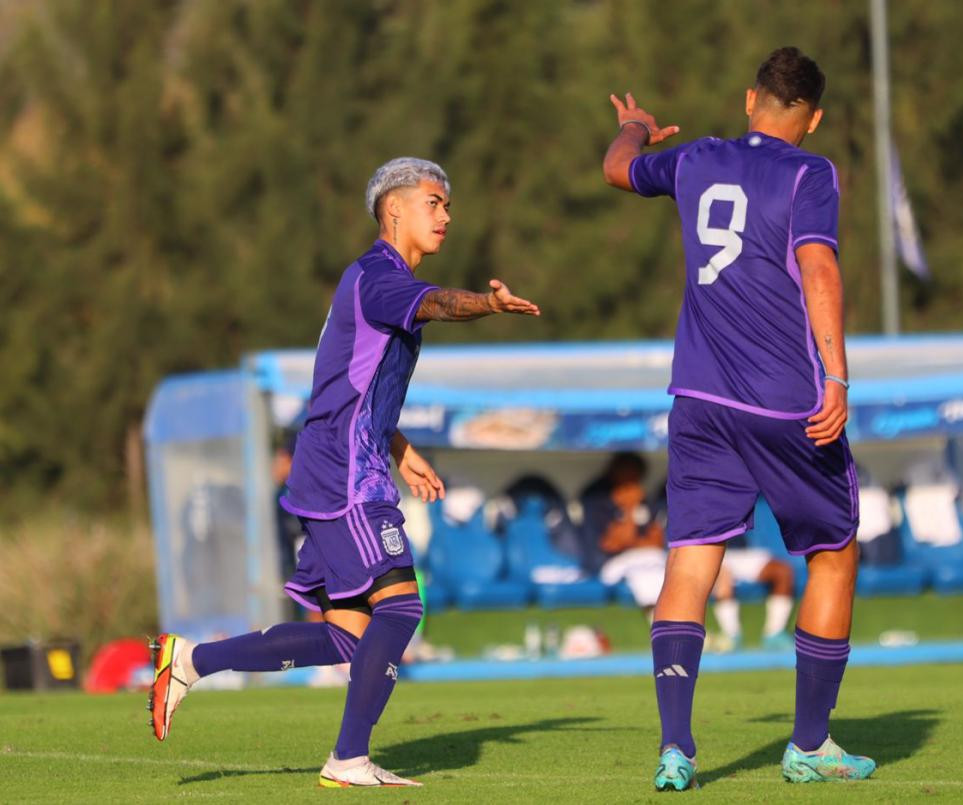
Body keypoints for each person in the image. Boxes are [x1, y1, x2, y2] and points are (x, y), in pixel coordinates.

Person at [148, 157, 540, 788]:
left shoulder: (376, 282)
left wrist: (400, 445)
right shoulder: (380, 276)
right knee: (402, 608)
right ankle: (348, 759)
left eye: (447, 205)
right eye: (434, 202)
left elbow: (352, 385)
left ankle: (192, 660)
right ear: (395, 210)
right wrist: (487, 305)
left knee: (348, 638)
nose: (446, 215)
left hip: (346, 462)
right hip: (344, 473)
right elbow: (441, 304)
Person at [603, 47, 874, 788]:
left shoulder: (693, 160)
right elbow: (819, 267)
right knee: (836, 547)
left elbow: (617, 169)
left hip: (698, 398)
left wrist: (633, 126)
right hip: (784, 398)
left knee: (690, 559)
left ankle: (676, 747)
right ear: (812, 119)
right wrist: (838, 374)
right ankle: (811, 743)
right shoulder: (808, 172)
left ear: (748, 98)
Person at [579, 453, 669, 610]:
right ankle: (656, 625)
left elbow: (656, 539)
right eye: (627, 472)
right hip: (607, 563)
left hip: (646, 557)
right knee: (644, 577)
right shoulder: (598, 498)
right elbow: (611, 544)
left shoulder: (641, 497)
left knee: (670, 571)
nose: (632, 480)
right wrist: (628, 509)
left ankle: (674, 627)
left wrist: (634, 507)